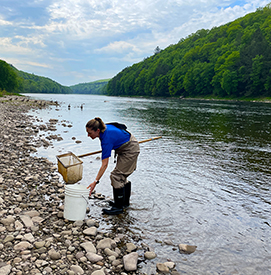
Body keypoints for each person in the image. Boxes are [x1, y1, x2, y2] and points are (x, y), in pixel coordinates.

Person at [86, 117, 140, 215]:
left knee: (116, 176)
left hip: (130, 149)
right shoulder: (102, 128)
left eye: (90, 133)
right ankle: (124, 204)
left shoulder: (106, 139)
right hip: (125, 146)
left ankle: (118, 207)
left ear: (97, 130)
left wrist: (95, 181)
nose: (88, 135)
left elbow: (104, 165)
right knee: (121, 176)